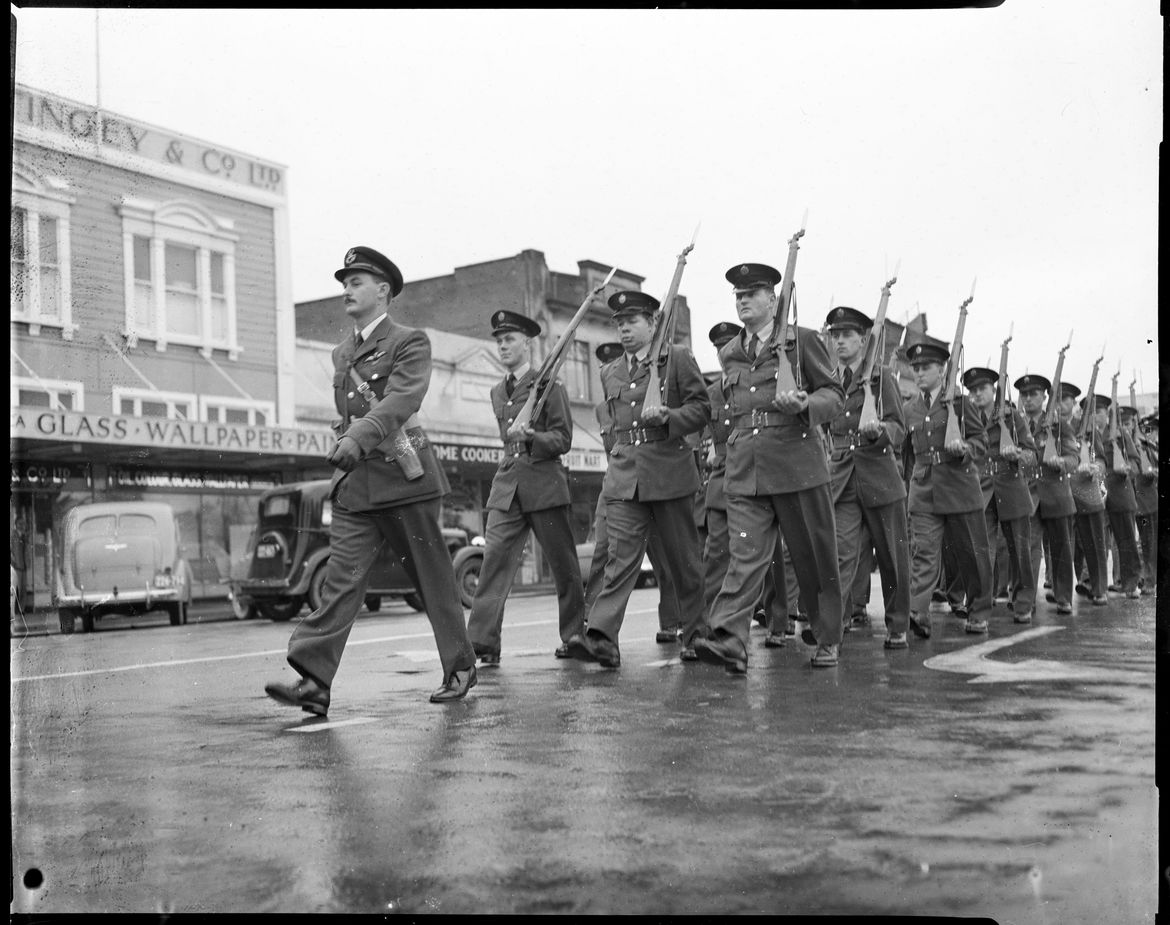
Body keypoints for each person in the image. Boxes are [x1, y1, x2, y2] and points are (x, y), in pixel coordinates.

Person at [265, 246, 478, 713]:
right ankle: (315, 680)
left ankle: (460, 666)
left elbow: (403, 397)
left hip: (405, 477)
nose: (346, 288)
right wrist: (345, 437)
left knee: (433, 580)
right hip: (357, 485)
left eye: (356, 281)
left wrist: (359, 435)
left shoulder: (410, 341)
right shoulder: (343, 352)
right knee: (341, 580)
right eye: (344, 281)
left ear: (382, 291)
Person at [694, 263, 845, 672]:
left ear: (773, 300)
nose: (742, 300)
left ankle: (828, 636)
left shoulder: (805, 341)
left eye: (752, 293)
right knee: (744, 555)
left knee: (812, 557)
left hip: (797, 464)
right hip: (746, 468)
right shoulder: (731, 353)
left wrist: (805, 406)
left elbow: (834, 395)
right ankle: (730, 638)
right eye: (738, 295)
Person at [568, 290, 710, 667]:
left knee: (684, 563)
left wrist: (670, 418)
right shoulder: (610, 370)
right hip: (625, 478)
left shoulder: (676, 359)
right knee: (619, 561)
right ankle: (602, 637)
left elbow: (701, 409)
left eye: (632, 321)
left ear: (652, 323)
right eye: (619, 323)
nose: (624, 329)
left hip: (669, 474)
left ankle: (696, 634)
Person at [466, 310, 587, 666]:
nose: (503, 346)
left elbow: (563, 439)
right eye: (499, 341)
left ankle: (574, 635)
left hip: (544, 482)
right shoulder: (496, 392)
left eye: (510, 340)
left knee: (563, 565)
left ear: (527, 343)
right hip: (508, 485)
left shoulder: (549, 385)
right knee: (493, 563)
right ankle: (483, 642)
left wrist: (534, 438)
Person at [824, 305, 911, 649]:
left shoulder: (880, 376)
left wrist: (880, 431)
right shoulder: (829, 378)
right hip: (842, 475)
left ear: (863, 340)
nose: (840, 342)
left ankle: (898, 625)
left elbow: (899, 428)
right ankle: (833, 628)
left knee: (891, 556)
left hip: (878, 473)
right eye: (835, 336)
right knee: (840, 554)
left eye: (847, 335)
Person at [585, 342, 684, 645]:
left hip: (654, 480)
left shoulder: (647, 389)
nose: (606, 371)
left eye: (610, 363)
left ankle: (673, 621)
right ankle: (593, 626)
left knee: (665, 558)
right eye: (601, 366)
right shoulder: (603, 409)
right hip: (618, 482)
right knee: (605, 553)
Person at [901, 341, 993, 637]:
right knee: (924, 552)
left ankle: (978, 612)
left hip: (959, 486)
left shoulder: (961, 403)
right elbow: (907, 454)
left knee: (971, 554)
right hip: (924, 488)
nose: (919, 373)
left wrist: (965, 448)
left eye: (925, 367)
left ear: (942, 371)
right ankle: (918, 610)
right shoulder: (910, 408)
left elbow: (982, 441)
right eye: (915, 368)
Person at [962, 366, 1038, 624]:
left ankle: (1023, 603)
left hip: (1011, 485)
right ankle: (979, 609)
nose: (976, 395)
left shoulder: (1013, 417)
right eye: (972, 390)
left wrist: (1018, 455)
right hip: (980, 488)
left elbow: (1031, 455)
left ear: (993, 390)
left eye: (982, 389)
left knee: (1020, 551)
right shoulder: (965, 418)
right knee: (980, 552)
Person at [1015, 373, 1078, 615]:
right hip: (1029, 495)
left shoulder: (1059, 426)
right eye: (1024, 395)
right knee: (1030, 549)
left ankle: (1063, 597)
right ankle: (1026, 601)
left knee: (1061, 548)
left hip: (1056, 493)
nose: (1028, 399)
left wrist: (1061, 461)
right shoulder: (1015, 424)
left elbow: (1073, 457)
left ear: (1044, 397)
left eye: (1034, 394)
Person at [1095, 396, 1142, 599]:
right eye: (1091, 412)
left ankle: (1130, 584)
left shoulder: (1121, 434)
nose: (1094, 416)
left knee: (1126, 542)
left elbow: (1136, 461)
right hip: (1096, 495)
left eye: (1099, 412)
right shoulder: (1087, 436)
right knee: (1097, 542)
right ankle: (1097, 586)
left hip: (1120, 493)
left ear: (1107, 414)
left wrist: (1126, 468)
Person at [1069, 391, 1111, 605]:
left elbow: (1102, 460)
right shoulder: (1053, 428)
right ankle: (1082, 582)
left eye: (1064, 400)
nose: (1060, 405)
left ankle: (1099, 588)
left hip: (1086, 491)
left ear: (1073, 403)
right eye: (1056, 400)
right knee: (1073, 546)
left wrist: (1096, 469)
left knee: (1094, 543)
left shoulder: (1087, 430)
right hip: (1064, 494)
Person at [1132, 412, 1158, 594]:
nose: (1149, 434)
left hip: (1149, 504)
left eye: (1152, 430)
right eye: (1146, 430)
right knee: (1145, 542)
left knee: (1149, 543)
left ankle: (1149, 580)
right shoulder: (1141, 448)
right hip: (1141, 505)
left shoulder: (1152, 449)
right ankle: (1146, 578)